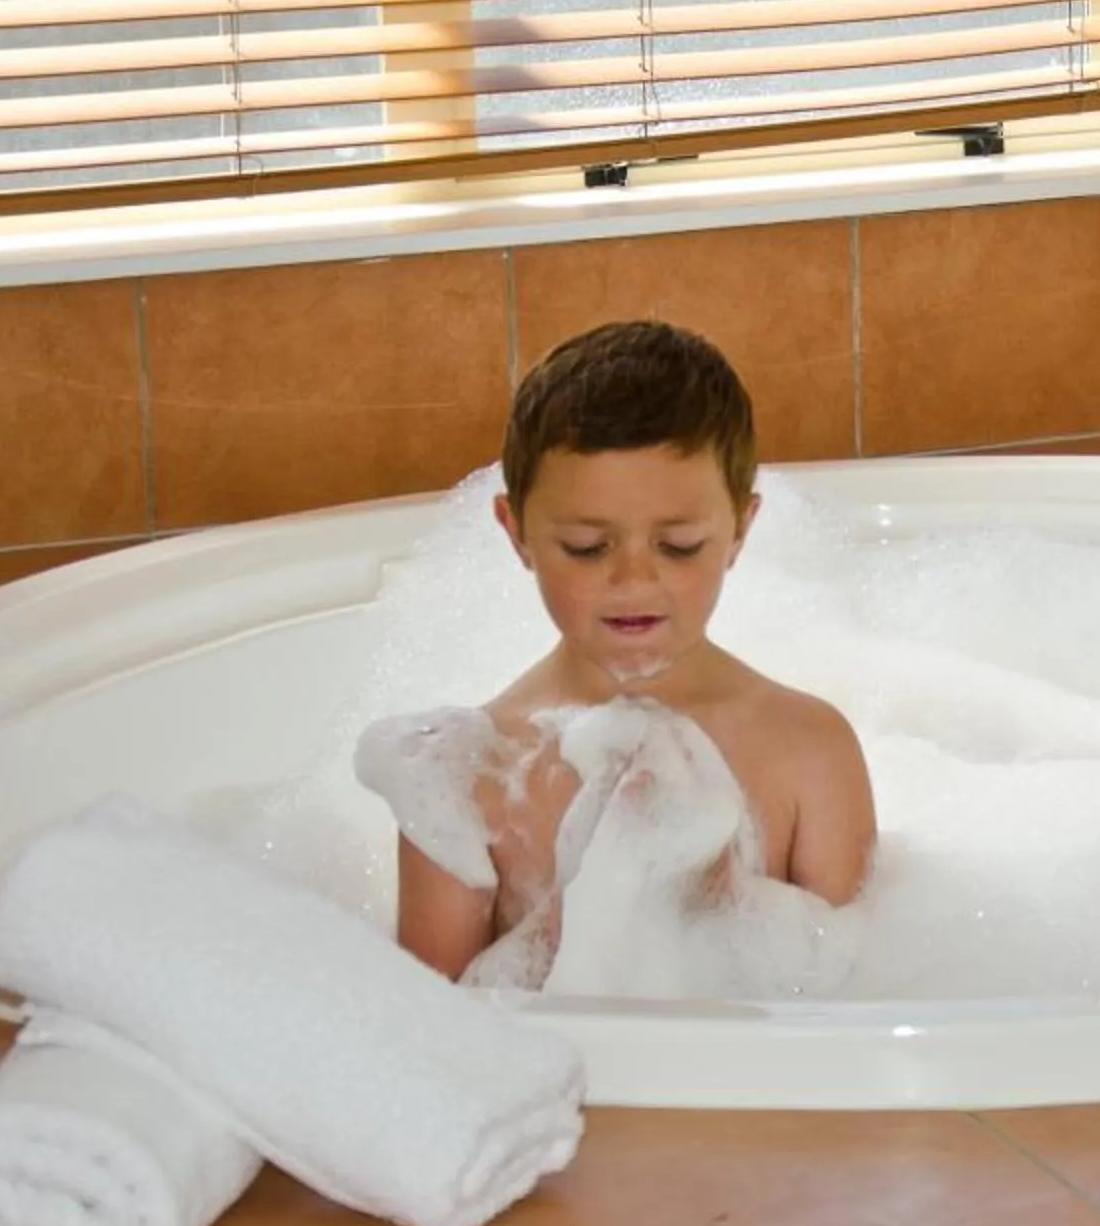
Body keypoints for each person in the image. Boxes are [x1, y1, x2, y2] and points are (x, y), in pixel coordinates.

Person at [371, 319, 876, 986]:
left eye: (679, 546)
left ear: (740, 529)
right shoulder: (463, 779)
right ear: (516, 533)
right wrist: (585, 918)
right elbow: (431, 1025)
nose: (634, 580)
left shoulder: (809, 750)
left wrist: (730, 915)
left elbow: (859, 998)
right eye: (586, 547)